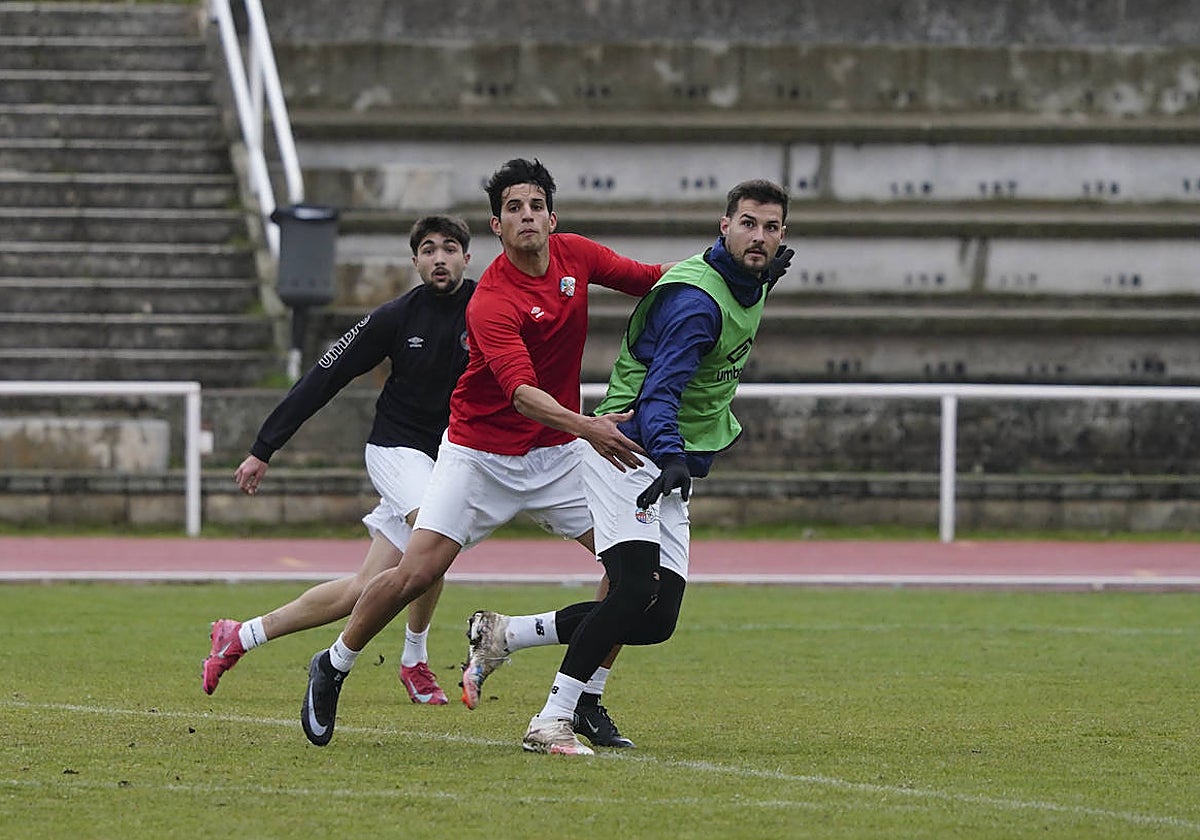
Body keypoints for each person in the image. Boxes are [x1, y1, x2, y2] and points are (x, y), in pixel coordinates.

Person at [300, 157, 675, 748]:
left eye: (536, 206)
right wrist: (589, 427)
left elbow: (654, 277)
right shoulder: (492, 299)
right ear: (497, 226)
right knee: (416, 573)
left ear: (552, 218)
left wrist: (728, 266)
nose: (527, 216)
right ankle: (334, 663)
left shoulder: (577, 256)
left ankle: (584, 698)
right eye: (513, 208)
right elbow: (522, 395)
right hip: (479, 455)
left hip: (558, 455)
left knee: (630, 576)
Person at [464, 179, 792, 755]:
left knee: (657, 619)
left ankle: (508, 634)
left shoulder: (748, 279)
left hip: (667, 459)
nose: (759, 237)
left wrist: (761, 277)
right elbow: (659, 394)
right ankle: (551, 719)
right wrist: (670, 455)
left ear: (783, 234)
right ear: (724, 226)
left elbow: (731, 292)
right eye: (747, 224)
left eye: (770, 227)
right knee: (633, 587)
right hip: (629, 449)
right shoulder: (697, 305)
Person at [201, 214, 478, 706]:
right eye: (429, 250)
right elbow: (323, 377)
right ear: (414, 262)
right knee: (435, 536)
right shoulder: (394, 317)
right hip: (395, 450)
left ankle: (240, 635)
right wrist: (264, 447)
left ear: (467, 257)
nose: (440, 258)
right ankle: (414, 660)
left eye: (450, 248)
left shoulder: (487, 306)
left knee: (364, 588)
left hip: (446, 459)